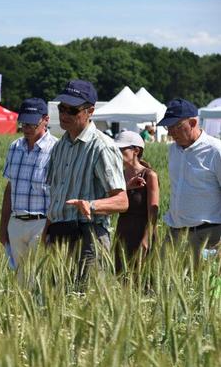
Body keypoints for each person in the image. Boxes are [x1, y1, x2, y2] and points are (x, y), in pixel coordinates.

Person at [43, 80, 128, 278]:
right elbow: (55, 197)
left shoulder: (102, 146)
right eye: (61, 108)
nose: (64, 115)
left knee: (84, 301)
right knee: (57, 302)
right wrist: (47, 234)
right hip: (59, 234)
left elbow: (122, 201)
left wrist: (91, 205)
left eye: (72, 110)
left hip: (89, 236)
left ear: (90, 111)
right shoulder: (59, 147)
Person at [158, 98, 221, 261]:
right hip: (175, 232)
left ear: (193, 122)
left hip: (208, 235)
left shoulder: (215, 151)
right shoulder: (173, 150)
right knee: (165, 283)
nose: (170, 133)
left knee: (201, 286)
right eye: (168, 127)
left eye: (175, 127)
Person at [0, 98, 58, 270]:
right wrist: (3, 229)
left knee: (39, 278)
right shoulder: (14, 147)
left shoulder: (57, 149)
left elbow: (59, 193)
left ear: (46, 120)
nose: (26, 129)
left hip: (41, 223)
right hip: (15, 223)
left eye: (32, 124)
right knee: (20, 281)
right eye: (23, 124)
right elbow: (10, 189)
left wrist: (49, 229)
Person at [113, 131, 159, 271]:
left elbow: (153, 211)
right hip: (122, 233)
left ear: (136, 151)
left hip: (142, 232)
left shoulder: (149, 175)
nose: (116, 153)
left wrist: (146, 240)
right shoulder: (118, 174)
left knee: (143, 282)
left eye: (121, 149)